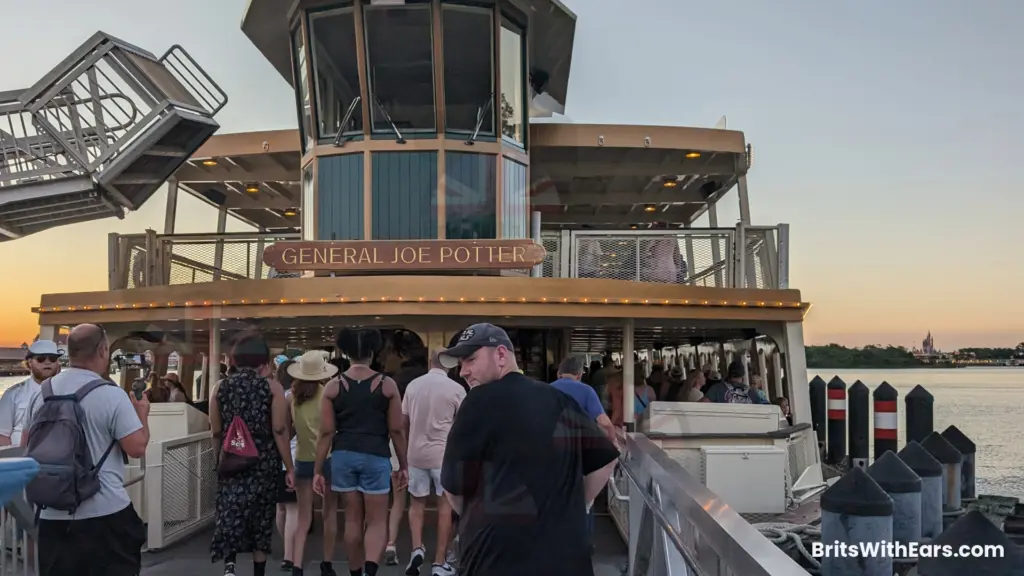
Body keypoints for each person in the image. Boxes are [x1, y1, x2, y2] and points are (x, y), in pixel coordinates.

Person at [438, 324, 620, 576]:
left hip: (496, 559)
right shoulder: (558, 400)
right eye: (460, 365)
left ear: (501, 355)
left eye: (470, 360)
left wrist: (477, 517)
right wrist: (576, 507)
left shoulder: (477, 402)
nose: (464, 372)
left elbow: (453, 487)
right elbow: (606, 458)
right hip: (566, 560)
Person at [23, 324, 150, 576]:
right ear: (103, 350)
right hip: (105, 514)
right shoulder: (110, 394)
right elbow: (136, 448)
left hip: (51, 516)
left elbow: (27, 445)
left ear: (69, 352)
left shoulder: (42, 394)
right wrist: (142, 414)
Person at [314, 328, 407, 576]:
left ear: (346, 353)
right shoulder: (387, 385)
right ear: (372, 352)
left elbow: (325, 433)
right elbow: (396, 430)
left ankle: (355, 572)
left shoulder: (333, 386)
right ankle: (370, 571)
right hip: (376, 455)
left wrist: (318, 470)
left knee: (352, 520)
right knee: (377, 520)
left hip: (343, 456)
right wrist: (404, 465)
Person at [209, 333, 295, 576]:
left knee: (231, 510)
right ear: (264, 362)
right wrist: (288, 466)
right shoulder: (273, 387)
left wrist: (218, 460)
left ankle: (230, 566)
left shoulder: (220, 387)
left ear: (235, 360)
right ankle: (259, 571)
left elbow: (215, 430)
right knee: (261, 516)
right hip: (263, 461)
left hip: (231, 459)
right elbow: (280, 429)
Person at [401, 349, 465, 576]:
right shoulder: (457, 389)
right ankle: (439, 562)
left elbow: (404, 423)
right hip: (444, 456)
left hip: (416, 453)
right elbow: (461, 428)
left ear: (430, 361)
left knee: (416, 505)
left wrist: (406, 453)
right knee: (444, 508)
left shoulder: (413, 386)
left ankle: (416, 548)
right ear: (450, 364)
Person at [287, 351, 341, 576]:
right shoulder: (329, 394)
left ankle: (297, 565)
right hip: (327, 458)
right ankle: (326, 563)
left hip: (302, 459)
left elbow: (286, 429)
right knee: (329, 512)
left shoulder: (291, 397)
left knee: (303, 516)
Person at [0, 340, 62, 446]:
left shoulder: (67, 392)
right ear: (29, 362)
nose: (47, 362)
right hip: (21, 458)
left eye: (52, 358)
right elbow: (2, 435)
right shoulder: (13, 394)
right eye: (41, 359)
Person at [275, 360, 301, 574]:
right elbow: (289, 431)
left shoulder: (274, 398)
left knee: (280, 507)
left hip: (274, 459)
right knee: (294, 509)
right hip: (292, 455)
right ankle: (290, 555)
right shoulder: (294, 399)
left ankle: (287, 549)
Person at [702, 360, 769, 405]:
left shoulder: (716, 389)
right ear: (742, 375)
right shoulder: (752, 392)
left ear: (729, 374)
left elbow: (702, 405)